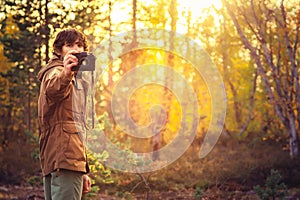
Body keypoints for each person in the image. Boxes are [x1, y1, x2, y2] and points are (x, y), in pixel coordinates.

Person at [38, 28, 91, 199]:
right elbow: (54, 90)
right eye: (69, 45)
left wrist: (84, 170)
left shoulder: (77, 79)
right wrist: (66, 74)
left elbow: (76, 129)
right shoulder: (55, 72)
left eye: (79, 45)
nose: (76, 49)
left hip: (66, 160)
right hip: (64, 160)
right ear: (58, 50)